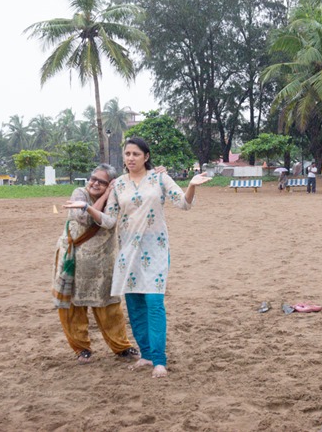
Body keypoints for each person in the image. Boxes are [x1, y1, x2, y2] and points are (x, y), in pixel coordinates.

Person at [64, 137, 211, 378]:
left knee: (154, 304)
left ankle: (159, 361)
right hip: (127, 254)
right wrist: (87, 208)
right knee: (135, 307)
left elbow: (184, 204)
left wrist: (192, 185)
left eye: (135, 154)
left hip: (156, 251)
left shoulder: (160, 178)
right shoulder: (118, 185)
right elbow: (109, 220)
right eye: (127, 154)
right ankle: (145, 355)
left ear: (146, 156)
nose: (130, 158)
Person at [53, 164, 140, 364]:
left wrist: (107, 196)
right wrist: (99, 198)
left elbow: (108, 222)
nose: (94, 183)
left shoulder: (115, 198)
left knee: (109, 305)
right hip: (73, 260)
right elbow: (81, 218)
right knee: (73, 306)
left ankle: (121, 347)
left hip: (102, 263)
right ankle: (81, 349)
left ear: (110, 184)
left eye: (101, 182)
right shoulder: (79, 193)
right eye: (93, 178)